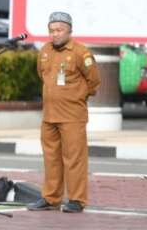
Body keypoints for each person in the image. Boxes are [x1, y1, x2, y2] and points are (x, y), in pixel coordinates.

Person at [27, 11, 100, 213]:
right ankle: (51, 198)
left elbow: (93, 81)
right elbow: (43, 76)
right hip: (49, 115)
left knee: (74, 159)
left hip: (72, 116)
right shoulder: (44, 51)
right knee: (51, 159)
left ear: (69, 30)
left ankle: (77, 200)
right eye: (51, 30)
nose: (55, 34)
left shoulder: (81, 53)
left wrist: (76, 97)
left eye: (59, 30)